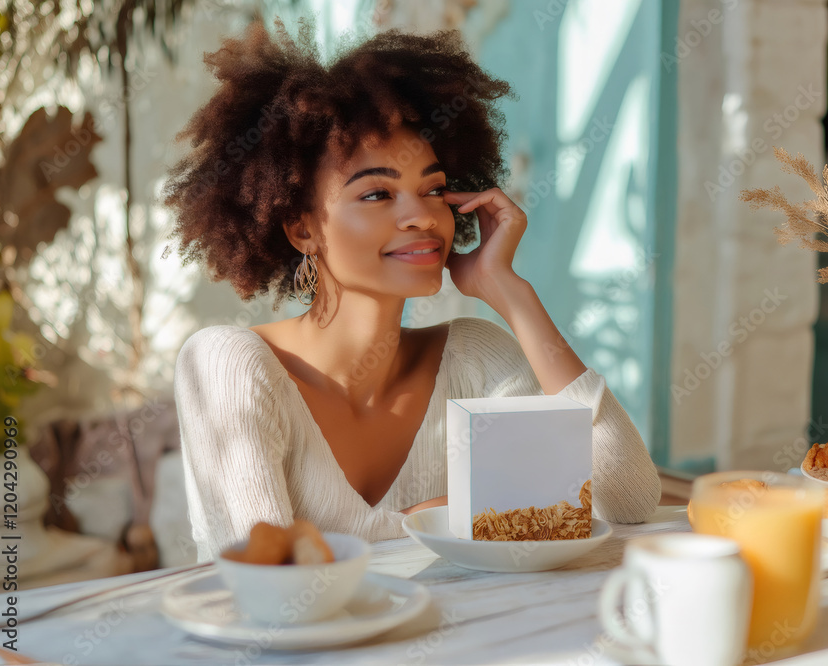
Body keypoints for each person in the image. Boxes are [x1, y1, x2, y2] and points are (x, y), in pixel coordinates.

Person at [165, 21, 661, 561]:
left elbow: (629, 499)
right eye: (378, 193)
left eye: (433, 189)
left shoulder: (473, 357)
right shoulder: (230, 366)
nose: (421, 216)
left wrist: (510, 292)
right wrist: (459, 515)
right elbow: (268, 577)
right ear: (302, 228)